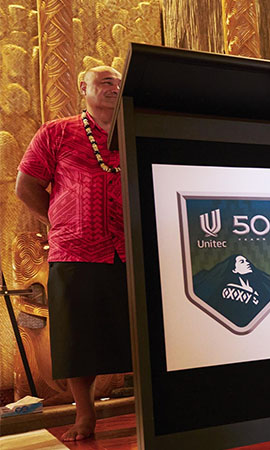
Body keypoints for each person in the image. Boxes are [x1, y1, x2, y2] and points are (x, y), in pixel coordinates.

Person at [15, 66, 132, 441]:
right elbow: (27, 184)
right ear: (84, 88)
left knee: (140, 332)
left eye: (117, 81)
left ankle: (152, 406)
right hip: (77, 251)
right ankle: (85, 415)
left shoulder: (136, 130)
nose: (113, 86)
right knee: (79, 339)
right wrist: (57, 217)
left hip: (131, 251)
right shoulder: (57, 132)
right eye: (104, 81)